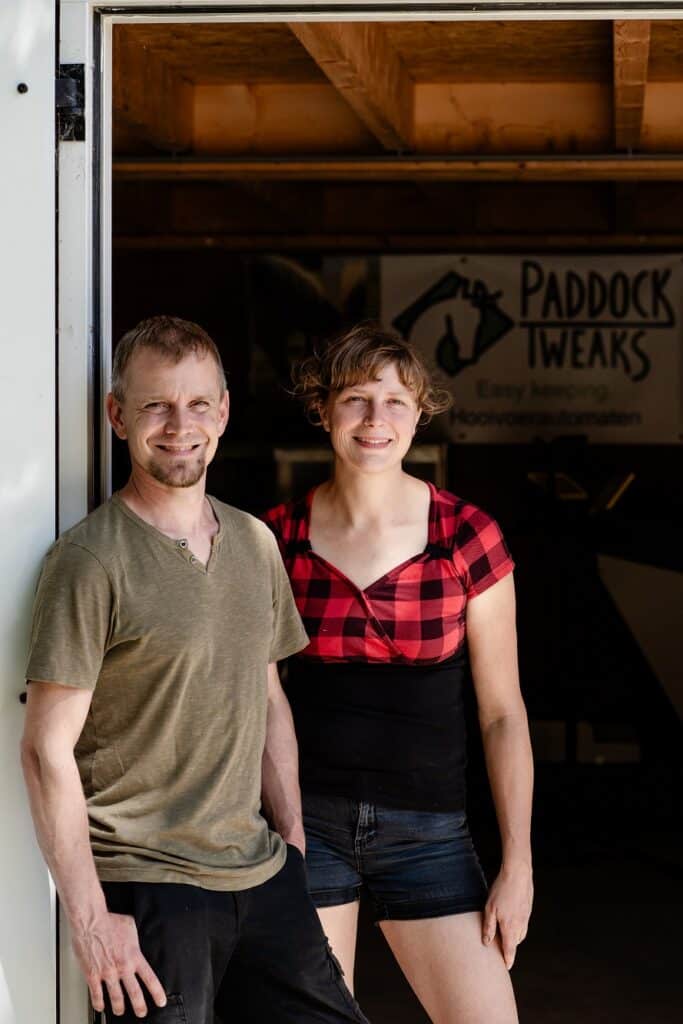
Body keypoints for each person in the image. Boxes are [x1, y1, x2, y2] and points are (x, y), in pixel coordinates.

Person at [21, 316, 370, 1024]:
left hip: (262, 872)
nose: (179, 425)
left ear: (223, 411)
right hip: (148, 886)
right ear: (118, 416)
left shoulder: (253, 541)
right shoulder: (89, 561)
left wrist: (294, 841)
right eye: (155, 405)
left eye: (197, 403)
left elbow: (267, 697)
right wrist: (90, 919)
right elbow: (44, 748)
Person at [264, 323, 534, 1024]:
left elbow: (501, 712)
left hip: (431, 836)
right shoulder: (275, 539)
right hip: (307, 829)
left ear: (420, 413)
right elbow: (257, 701)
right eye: (355, 399)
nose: (375, 420)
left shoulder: (466, 536)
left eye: (394, 401)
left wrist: (518, 864)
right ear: (323, 410)